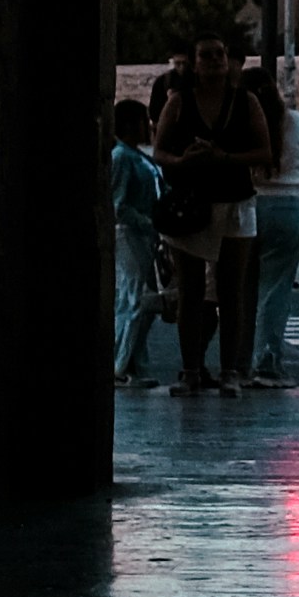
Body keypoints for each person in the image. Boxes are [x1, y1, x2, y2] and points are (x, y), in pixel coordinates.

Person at [147, 33, 264, 390]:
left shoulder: (246, 102)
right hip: (192, 205)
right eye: (207, 55)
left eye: (220, 54)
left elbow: (264, 152)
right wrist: (184, 161)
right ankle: (191, 369)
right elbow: (160, 151)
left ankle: (229, 371)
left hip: (235, 202)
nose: (215, 61)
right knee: (191, 292)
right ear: (194, 63)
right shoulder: (179, 103)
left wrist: (224, 158)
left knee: (232, 293)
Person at [246, 56, 299, 376]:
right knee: (276, 290)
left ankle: (237, 363)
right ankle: (268, 360)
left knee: (242, 290)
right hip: (288, 206)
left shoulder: (240, 124)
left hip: (247, 206)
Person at [108, 97, 168, 385]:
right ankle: (120, 363)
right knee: (133, 300)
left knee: (139, 302)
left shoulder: (137, 156)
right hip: (129, 234)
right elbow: (118, 205)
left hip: (143, 235)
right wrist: (149, 222)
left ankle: (134, 363)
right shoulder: (122, 158)